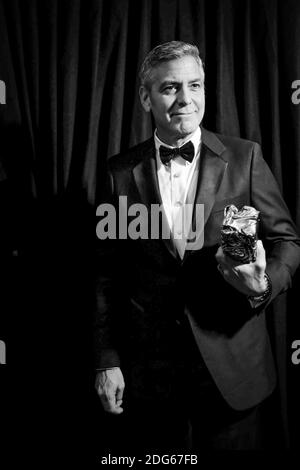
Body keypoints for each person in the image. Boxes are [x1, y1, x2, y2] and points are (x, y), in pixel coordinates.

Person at [94, 41, 300, 451]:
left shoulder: (246, 158)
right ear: (145, 97)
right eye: (170, 88)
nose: (185, 100)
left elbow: (287, 242)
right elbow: (107, 276)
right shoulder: (118, 173)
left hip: (234, 373)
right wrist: (108, 359)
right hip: (151, 378)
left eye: (195, 85)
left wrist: (263, 285)